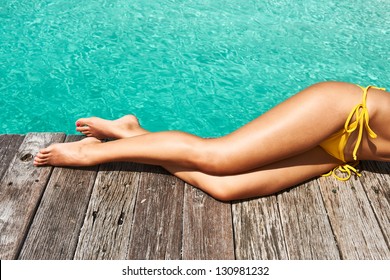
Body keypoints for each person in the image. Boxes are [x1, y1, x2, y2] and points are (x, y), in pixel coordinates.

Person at [34, 81, 390, 201]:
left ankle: (132, 133)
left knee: (226, 188)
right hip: (346, 110)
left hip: (347, 149)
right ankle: (95, 155)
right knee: (218, 157)